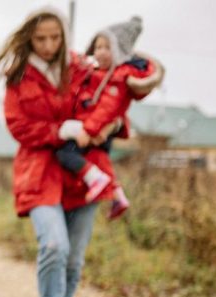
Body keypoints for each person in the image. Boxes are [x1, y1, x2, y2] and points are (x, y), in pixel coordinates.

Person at [0, 8, 112, 297]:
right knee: (54, 246)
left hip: (83, 172)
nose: (47, 45)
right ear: (29, 38)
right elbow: (18, 126)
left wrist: (108, 124)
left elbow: (111, 97)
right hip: (40, 171)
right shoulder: (19, 76)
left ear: (63, 37)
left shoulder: (81, 67)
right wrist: (59, 131)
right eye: (40, 38)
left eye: (54, 38)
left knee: (73, 260)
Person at [54, 16, 164, 220]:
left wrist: (88, 130)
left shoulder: (116, 78)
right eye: (98, 47)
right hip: (93, 128)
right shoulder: (96, 74)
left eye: (107, 47)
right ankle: (117, 195)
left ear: (120, 52)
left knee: (66, 154)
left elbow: (107, 108)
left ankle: (95, 180)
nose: (100, 52)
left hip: (92, 129)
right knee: (99, 159)